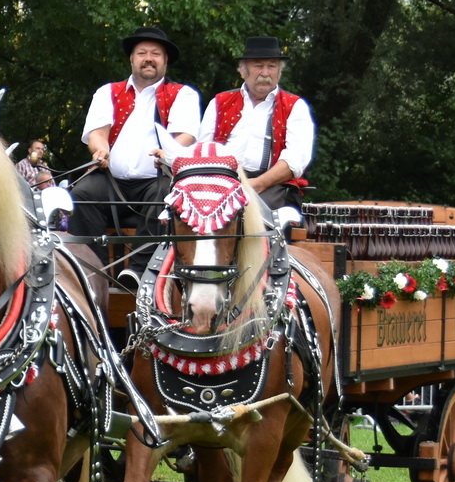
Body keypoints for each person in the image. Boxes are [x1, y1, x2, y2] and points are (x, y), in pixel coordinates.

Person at [76, 26, 202, 288]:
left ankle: (138, 271)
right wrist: (101, 150)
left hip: (155, 180)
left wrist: (169, 152)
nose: (148, 58)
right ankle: (94, 272)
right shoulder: (108, 92)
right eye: (142, 52)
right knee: (81, 194)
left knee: (164, 195)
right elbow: (98, 133)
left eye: (156, 53)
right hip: (111, 180)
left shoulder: (183, 94)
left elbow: (186, 136)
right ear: (131, 59)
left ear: (165, 61)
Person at [198, 35, 314, 226]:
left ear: (279, 72)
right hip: (222, 185)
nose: (265, 72)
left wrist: (256, 185)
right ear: (243, 71)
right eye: (258, 65)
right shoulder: (219, 102)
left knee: (251, 216)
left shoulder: (295, 106)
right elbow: (203, 151)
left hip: (273, 188)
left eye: (272, 66)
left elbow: (295, 161)